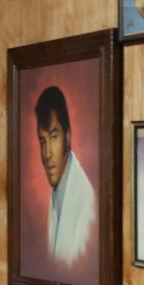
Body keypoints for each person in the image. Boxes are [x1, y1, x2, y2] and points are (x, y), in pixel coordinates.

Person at [35, 86, 96, 266]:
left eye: (54, 137)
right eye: (42, 141)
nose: (47, 153)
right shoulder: (57, 193)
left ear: (68, 137)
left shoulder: (87, 203)